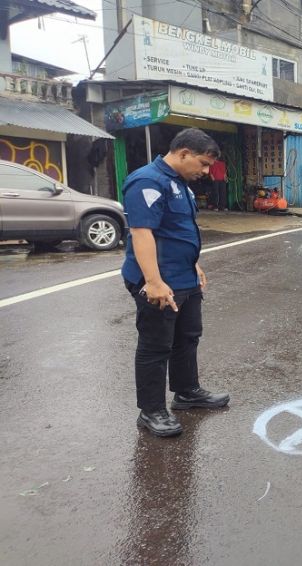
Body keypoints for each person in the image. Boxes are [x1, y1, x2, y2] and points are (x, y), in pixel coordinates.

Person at [122, 128, 230, 437]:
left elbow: (177, 230)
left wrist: (193, 263)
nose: (206, 172)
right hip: (159, 281)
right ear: (183, 153)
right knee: (156, 346)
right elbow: (142, 233)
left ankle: (186, 392)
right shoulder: (147, 182)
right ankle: (152, 410)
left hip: (184, 277)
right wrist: (153, 282)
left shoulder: (180, 184)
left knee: (188, 337)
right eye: (203, 164)